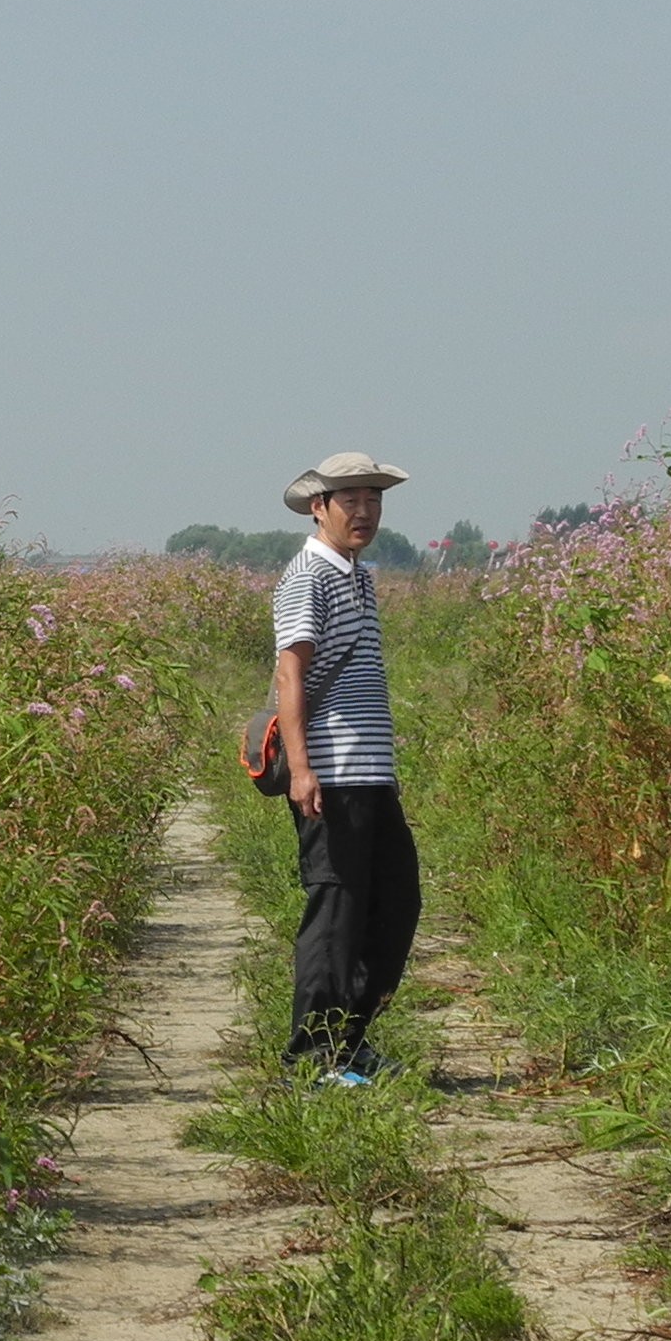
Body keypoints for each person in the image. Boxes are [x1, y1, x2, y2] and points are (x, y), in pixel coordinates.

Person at [269, 451, 421, 1082]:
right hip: (331, 776)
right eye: (350, 500)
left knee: (395, 904)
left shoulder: (356, 573)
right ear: (319, 507)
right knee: (335, 912)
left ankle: (349, 1040)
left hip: (369, 774)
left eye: (374, 499)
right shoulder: (309, 574)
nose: (364, 512)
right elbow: (291, 671)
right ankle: (311, 1058)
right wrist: (302, 770)